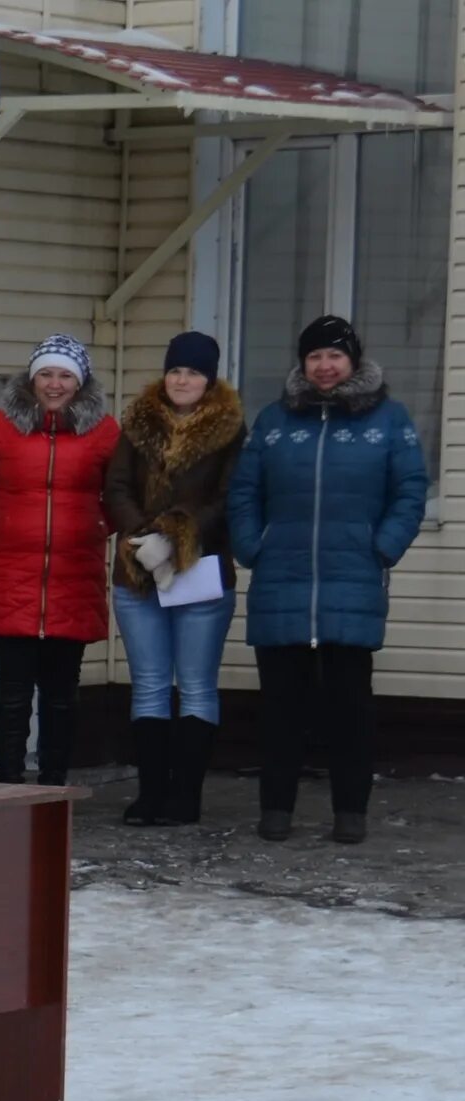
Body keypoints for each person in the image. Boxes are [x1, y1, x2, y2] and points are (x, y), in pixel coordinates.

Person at [227, 315, 427, 845]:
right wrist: (252, 546)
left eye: (334, 356)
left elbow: (410, 489)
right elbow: (244, 491)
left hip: (351, 581)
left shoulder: (389, 420)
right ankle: (276, 810)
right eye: (315, 356)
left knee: (350, 710)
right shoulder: (273, 420)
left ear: (353, 361)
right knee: (280, 710)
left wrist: (382, 547)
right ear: (303, 363)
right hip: (281, 582)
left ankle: (350, 813)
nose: (324, 366)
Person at [0, 335, 118, 783]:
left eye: (64, 375)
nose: (54, 384)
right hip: (7, 579)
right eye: (46, 374)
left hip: (74, 578)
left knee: (61, 694)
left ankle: (53, 787)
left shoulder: (103, 432)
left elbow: (122, 492)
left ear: (79, 382)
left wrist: (96, 526)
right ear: (31, 379)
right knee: (11, 692)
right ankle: (9, 785)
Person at [102, 331, 245, 826]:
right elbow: (116, 485)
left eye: (194, 372)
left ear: (209, 380)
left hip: (201, 573)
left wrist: (176, 536)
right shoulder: (138, 424)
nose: (183, 380)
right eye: (176, 370)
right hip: (138, 572)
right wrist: (144, 540)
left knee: (198, 686)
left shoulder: (230, 430)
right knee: (149, 686)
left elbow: (228, 499)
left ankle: (186, 795)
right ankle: (151, 795)